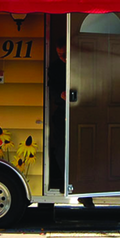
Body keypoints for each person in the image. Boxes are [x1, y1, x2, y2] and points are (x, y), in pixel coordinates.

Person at [47, 38, 67, 190]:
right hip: (62, 112)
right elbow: (51, 88)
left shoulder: (83, 64)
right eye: (59, 55)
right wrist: (61, 95)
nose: (63, 58)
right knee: (60, 149)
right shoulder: (55, 67)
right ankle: (64, 180)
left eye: (65, 54)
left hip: (84, 112)